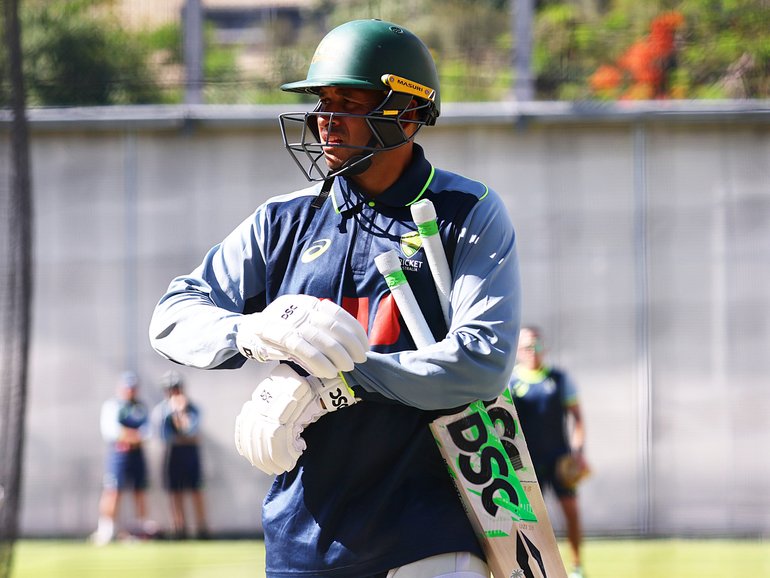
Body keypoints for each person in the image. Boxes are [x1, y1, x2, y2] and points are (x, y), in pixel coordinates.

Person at [149, 19, 521, 578]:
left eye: (348, 102)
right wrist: (247, 332)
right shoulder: (283, 220)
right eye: (322, 102)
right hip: (303, 531)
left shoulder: (466, 211)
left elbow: (483, 361)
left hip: (430, 528)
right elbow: (173, 315)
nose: (326, 120)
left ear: (409, 113)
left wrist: (335, 382)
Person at [508, 326, 590, 578]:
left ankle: (577, 567)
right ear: (518, 351)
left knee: (571, 511)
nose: (533, 351)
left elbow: (577, 419)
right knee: (530, 521)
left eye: (537, 346)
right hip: (526, 462)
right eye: (527, 347)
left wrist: (577, 451)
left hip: (559, 458)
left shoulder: (558, 378)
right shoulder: (509, 382)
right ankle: (535, 568)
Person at [90, 371, 155, 545]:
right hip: (119, 455)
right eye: (128, 387)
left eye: (133, 388)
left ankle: (140, 529)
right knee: (113, 491)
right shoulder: (113, 406)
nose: (130, 391)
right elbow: (112, 432)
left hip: (137, 454)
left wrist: (130, 436)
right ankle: (106, 530)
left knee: (140, 491)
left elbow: (148, 433)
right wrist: (132, 436)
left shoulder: (141, 407)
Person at [153, 370, 209, 540]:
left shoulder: (192, 408)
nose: (174, 392)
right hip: (173, 453)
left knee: (196, 489)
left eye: (176, 388)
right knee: (174, 491)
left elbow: (191, 432)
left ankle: (202, 528)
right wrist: (173, 414)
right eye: (171, 389)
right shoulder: (161, 410)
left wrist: (181, 413)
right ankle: (179, 528)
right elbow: (164, 435)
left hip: (190, 453)